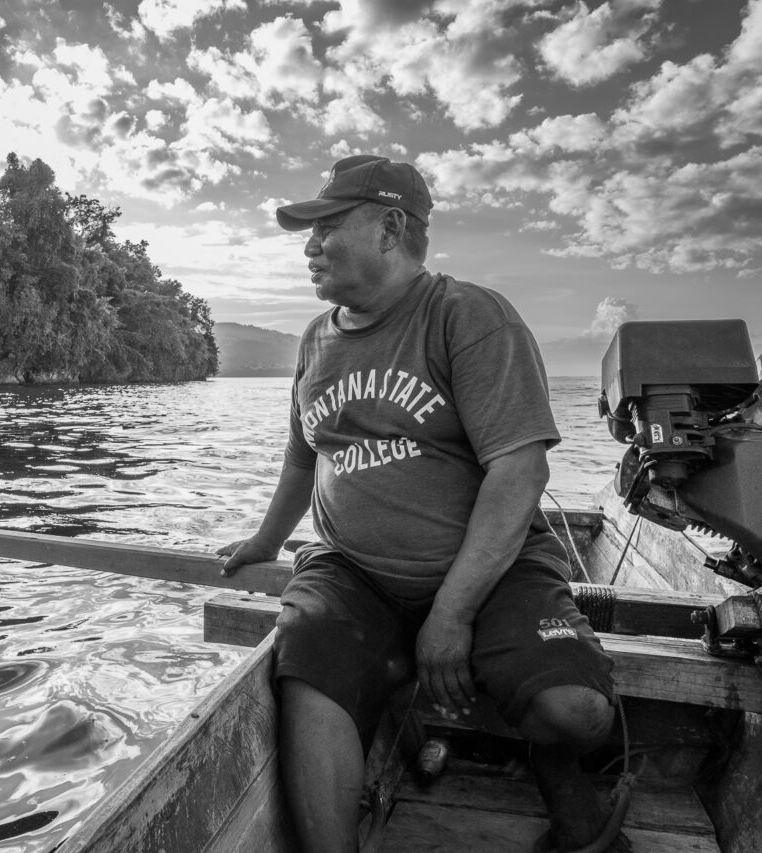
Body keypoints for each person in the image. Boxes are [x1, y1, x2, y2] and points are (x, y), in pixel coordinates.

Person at [216, 154, 620, 853]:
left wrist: (450, 614)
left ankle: (562, 787)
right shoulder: (315, 339)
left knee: (576, 711)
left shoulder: (468, 315)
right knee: (307, 655)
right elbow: (301, 458)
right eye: (307, 231)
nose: (309, 245)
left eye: (327, 226)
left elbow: (518, 474)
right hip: (356, 570)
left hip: (490, 570)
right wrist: (262, 541)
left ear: (390, 228)